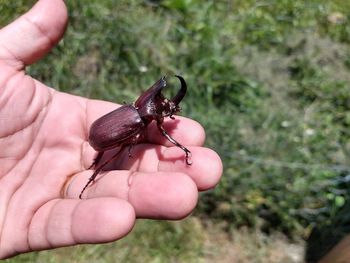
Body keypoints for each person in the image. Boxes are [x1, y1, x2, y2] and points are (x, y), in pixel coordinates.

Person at [0, 0, 222, 259]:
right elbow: (165, 135)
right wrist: (182, 148)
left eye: (169, 107)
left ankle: (95, 171)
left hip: (103, 130)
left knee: (122, 153)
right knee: (116, 155)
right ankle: (94, 175)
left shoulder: (137, 109)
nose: (170, 109)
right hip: (103, 137)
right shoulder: (139, 121)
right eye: (167, 108)